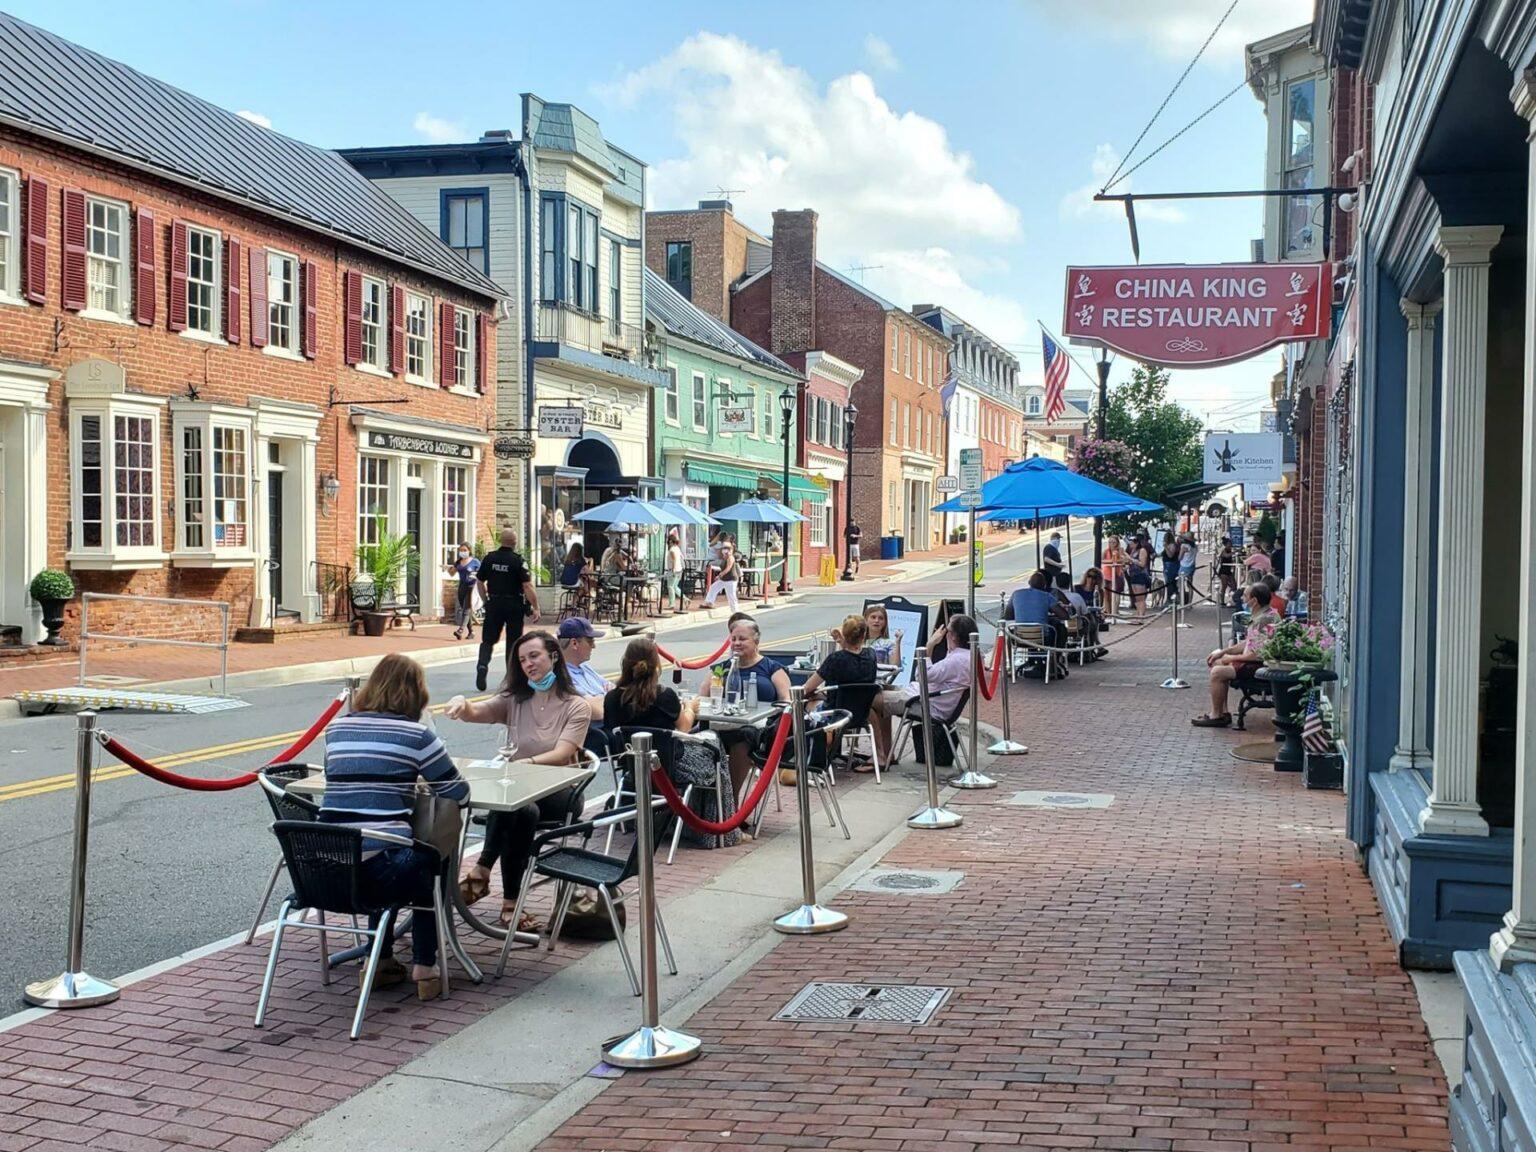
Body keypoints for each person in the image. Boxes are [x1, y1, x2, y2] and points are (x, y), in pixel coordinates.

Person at [321, 654, 468, 999]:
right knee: (431, 854)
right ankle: (425, 964)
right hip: (377, 874)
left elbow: (340, 780)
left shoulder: (336, 729)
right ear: (417, 694)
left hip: (325, 869)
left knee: (390, 850)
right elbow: (457, 793)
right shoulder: (416, 735)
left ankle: (380, 957)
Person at [447, 631, 590, 930]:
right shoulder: (516, 698)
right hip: (520, 790)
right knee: (521, 810)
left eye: (534, 656)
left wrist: (524, 764)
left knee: (516, 805)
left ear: (553, 655)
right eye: (522, 660)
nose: (528, 664)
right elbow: (480, 711)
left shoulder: (575, 705)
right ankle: (509, 901)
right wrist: (463, 705)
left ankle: (481, 872)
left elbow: (563, 753)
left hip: (561, 789)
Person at [603, 638, 742, 849]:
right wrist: (689, 706)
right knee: (715, 744)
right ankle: (720, 825)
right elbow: (685, 727)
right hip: (669, 767)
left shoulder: (612, 698)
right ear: (656, 665)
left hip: (630, 768)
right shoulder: (662, 695)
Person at [699, 616, 791, 795]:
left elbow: (787, 702)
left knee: (742, 738)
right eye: (733, 639)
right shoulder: (720, 669)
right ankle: (705, 797)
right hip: (721, 724)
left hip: (758, 730)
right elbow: (701, 699)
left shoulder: (772, 668)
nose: (736, 643)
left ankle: (730, 799)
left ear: (756, 641)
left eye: (742, 639)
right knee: (697, 737)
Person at [872, 614, 977, 763]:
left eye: (946, 631)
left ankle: (882, 755)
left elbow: (921, 675)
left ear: (952, 636)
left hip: (925, 704)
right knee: (884, 690)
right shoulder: (970, 655)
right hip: (929, 698)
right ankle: (887, 752)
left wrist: (930, 644)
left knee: (870, 699)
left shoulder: (956, 660)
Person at [1191, 584, 1280, 728]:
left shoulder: (1264, 620)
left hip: (1259, 666)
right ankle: (1222, 712)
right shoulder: (1265, 614)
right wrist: (1224, 652)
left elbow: (1257, 654)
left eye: (1245, 595)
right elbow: (1249, 643)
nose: (1242, 598)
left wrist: (1231, 658)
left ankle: (1216, 715)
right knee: (1217, 662)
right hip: (1255, 662)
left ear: (1254, 601)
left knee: (1217, 672)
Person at [804, 614, 880, 775]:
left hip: (836, 715)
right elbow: (852, 655)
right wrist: (842, 641)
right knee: (823, 696)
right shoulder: (871, 655)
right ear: (864, 635)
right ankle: (833, 750)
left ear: (845, 635)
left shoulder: (835, 659)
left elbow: (808, 687)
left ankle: (816, 755)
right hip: (860, 715)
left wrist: (815, 694)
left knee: (809, 701)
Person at [475, 529, 541, 693]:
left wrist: (485, 600)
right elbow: (527, 585)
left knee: (488, 640)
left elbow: (479, 581)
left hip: (494, 603)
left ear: (501, 541)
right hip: (513, 605)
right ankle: (511, 678)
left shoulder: (490, 558)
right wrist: (536, 606)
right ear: (514, 542)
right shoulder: (517, 561)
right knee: (513, 642)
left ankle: (482, 665)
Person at [556, 617, 612, 758]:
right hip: (593, 734)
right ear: (574, 643)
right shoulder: (562, 676)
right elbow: (596, 711)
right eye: (590, 641)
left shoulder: (585, 667)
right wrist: (607, 697)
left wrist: (601, 698)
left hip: (609, 724)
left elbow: (618, 692)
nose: (594, 646)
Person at [1006, 570, 1068, 651]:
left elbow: (1007, 616)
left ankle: (1012, 662)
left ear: (1029, 582)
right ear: (1044, 585)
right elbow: (1064, 616)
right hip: (1042, 639)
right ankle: (1054, 657)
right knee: (1059, 628)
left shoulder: (1016, 594)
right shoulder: (1046, 596)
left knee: (1010, 633)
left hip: (1019, 638)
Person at [447, 543, 479, 641]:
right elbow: (452, 573)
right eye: (461, 550)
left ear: (469, 551)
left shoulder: (475, 562)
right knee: (464, 608)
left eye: (465, 550)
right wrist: (449, 569)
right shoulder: (458, 562)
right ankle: (471, 632)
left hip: (471, 586)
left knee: (466, 609)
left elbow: (482, 574)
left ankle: (460, 630)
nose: (463, 552)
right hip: (462, 587)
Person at [863, 603, 905, 669]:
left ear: (885, 623)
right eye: (873, 617)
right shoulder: (857, 641)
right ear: (865, 620)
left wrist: (898, 642)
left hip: (879, 678)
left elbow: (895, 667)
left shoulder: (889, 643)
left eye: (881, 618)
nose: (876, 621)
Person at [703, 539, 740, 611]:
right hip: (724, 579)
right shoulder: (724, 557)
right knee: (713, 587)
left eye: (727, 549)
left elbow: (728, 568)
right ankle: (709, 602)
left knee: (731, 596)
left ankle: (735, 612)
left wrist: (720, 575)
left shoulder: (731, 558)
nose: (724, 550)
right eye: (724, 548)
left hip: (730, 580)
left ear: (730, 550)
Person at [1126, 534, 1152, 620]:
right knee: (1137, 597)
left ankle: (1141, 616)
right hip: (1133, 575)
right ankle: (1138, 614)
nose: (1130, 545)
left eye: (1132, 543)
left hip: (1140, 575)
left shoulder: (1142, 550)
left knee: (1141, 597)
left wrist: (1131, 559)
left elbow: (1142, 563)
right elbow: (1130, 563)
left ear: (1136, 543)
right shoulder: (1133, 551)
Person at [662, 530, 685, 612]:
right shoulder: (677, 548)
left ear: (670, 541)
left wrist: (674, 569)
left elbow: (674, 559)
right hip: (679, 570)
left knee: (670, 587)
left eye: (668, 541)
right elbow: (681, 558)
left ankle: (672, 603)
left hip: (673, 570)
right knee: (675, 587)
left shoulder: (672, 550)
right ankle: (685, 599)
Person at [1103, 534, 1125, 616]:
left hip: (1116, 574)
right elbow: (1102, 560)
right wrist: (1110, 561)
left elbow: (1122, 560)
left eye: (1114, 542)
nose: (1112, 544)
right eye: (1110, 542)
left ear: (1117, 543)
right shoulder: (1106, 551)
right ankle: (1108, 612)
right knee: (1106, 594)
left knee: (1115, 593)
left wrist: (1115, 560)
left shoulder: (1120, 550)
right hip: (1106, 574)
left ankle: (1114, 611)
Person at [1215, 539, 1238, 607]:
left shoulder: (1230, 550)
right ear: (1225, 544)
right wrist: (1233, 553)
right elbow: (1226, 556)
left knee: (1234, 585)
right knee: (1224, 586)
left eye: (1230, 543)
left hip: (1229, 570)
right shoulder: (1224, 550)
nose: (1230, 545)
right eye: (1229, 544)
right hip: (1223, 570)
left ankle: (1231, 599)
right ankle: (1221, 601)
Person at [1159, 532, 1180, 608]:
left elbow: (1170, 555)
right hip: (1167, 565)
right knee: (1169, 583)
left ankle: (1170, 600)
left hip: (1170, 566)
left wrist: (1165, 547)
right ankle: (1172, 599)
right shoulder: (1169, 545)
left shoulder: (1172, 545)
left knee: (1170, 583)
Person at [1178, 533, 1197, 605]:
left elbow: (1179, 558)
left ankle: (1182, 602)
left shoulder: (1184, 546)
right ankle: (1189, 603)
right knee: (1190, 585)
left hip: (1184, 566)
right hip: (1192, 566)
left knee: (1180, 585)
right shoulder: (1195, 547)